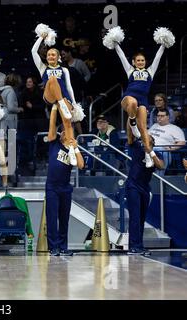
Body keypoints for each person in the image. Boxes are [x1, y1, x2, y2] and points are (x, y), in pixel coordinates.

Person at [112, 31, 169, 168]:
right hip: (129, 97)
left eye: (142, 60)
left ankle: (148, 155)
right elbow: (121, 56)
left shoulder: (150, 71)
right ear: (134, 62)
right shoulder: (130, 70)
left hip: (143, 100)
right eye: (138, 60)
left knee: (143, 129)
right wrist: (115, 43)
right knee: (133, 103)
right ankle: (132, 123)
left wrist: (163, 44)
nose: (140, 62)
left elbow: (158, 57)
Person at [31, 29, 82, 166]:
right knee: (52, 79)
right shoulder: (43, 68)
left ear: (58, 57)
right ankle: (62, 103)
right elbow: (33, 52)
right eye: (48, 55)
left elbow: (69, 87)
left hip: (64, 98)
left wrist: (74, 104)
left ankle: (71, 148)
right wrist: (41, 37)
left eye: (53, 55)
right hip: (50, 97)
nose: (51, 57)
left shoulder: (64, 70)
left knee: (67, 123)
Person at [45, 104, 84, 256]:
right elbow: (51, 128)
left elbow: (81, 165)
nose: (67, 134)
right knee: (52, 217)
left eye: (70, 132)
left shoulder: (73, 149)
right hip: (52, 187)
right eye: (65, 132)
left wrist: (76, 148)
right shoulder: (54, 144)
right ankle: (53, 247)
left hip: (65, 187)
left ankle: (63, 246)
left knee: (64, 218)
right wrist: (55, 109)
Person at [125, 120, 164, 255]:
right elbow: (130, 134)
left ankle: (139, 245)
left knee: (141, 218)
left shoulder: (156, 155)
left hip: (145, 188)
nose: (147, 138)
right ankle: (133, 246)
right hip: (133, 186)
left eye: (150, 138)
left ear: (153, 142)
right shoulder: (137, 148)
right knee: (135, 217)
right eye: (145, 137)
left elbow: (160, 166)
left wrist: (151, 152)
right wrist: (130, 117)